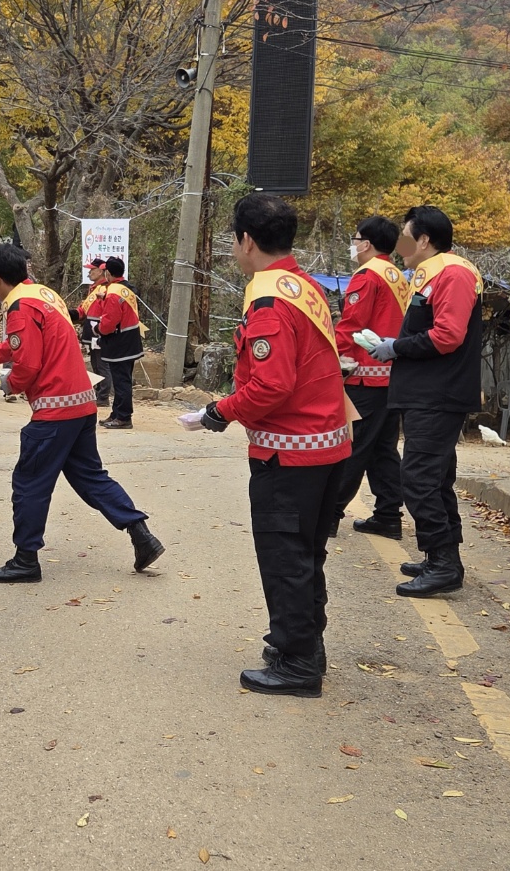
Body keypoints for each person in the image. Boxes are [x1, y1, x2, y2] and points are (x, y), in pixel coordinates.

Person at [198, 194, 351, 697]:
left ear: (245, 240)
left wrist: (218, 411)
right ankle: (304, 643)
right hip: (327, 444)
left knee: (285, 555)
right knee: (306, 553)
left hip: (289, 452)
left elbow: (270, 386)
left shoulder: (266, 299)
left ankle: (298, 662)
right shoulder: (303, 285)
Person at [0, 244, 163, 582]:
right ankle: (141, 533)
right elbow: (18, 345)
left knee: (30, 483)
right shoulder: (43, 295)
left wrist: (10, 385)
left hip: (54, 410)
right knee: (91, 477)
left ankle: (25, 560)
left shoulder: (20, 307)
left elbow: (27, 363)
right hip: (81, 404)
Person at [365, 205, 483, 598]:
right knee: (434, 478)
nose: (398, 246)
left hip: (439, 394)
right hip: (426, 394)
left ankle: (443, 561)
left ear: (424, 240)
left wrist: (395, 347)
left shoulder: (454, 274)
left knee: (417, 478)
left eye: (403, 237)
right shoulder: (430, 275)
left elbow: (448, 335)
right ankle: (441, 558)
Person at [330, 216, 407, 540]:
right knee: (382, 449)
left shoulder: (367, 275)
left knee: (353, 447)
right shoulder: (397, 275)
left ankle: (328, 513)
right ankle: (388, 514)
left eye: (356, 237)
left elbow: (351, 325)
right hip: (394, 375)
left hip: (367, 375)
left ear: (367, 244)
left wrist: (328, 355)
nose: (354, 243)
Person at [96, 256, 143, 430]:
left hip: (120, 343)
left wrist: (98, 329)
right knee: (122, 379)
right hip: (131, 340)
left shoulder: (113, 293)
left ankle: (123, 417)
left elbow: (108, 323)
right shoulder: (125, 288)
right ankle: (117, 413)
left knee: (121, 381)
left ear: (107, 272)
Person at [77, 257, 111, 408]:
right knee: (96, 362)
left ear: (102, 271)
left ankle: (103, 395)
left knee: (102, 363)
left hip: (99, 330)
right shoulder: (95, 288)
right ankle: (99, 392)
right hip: (91, 329)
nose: (89, 272)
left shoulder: (105, 288)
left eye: (92, 269)